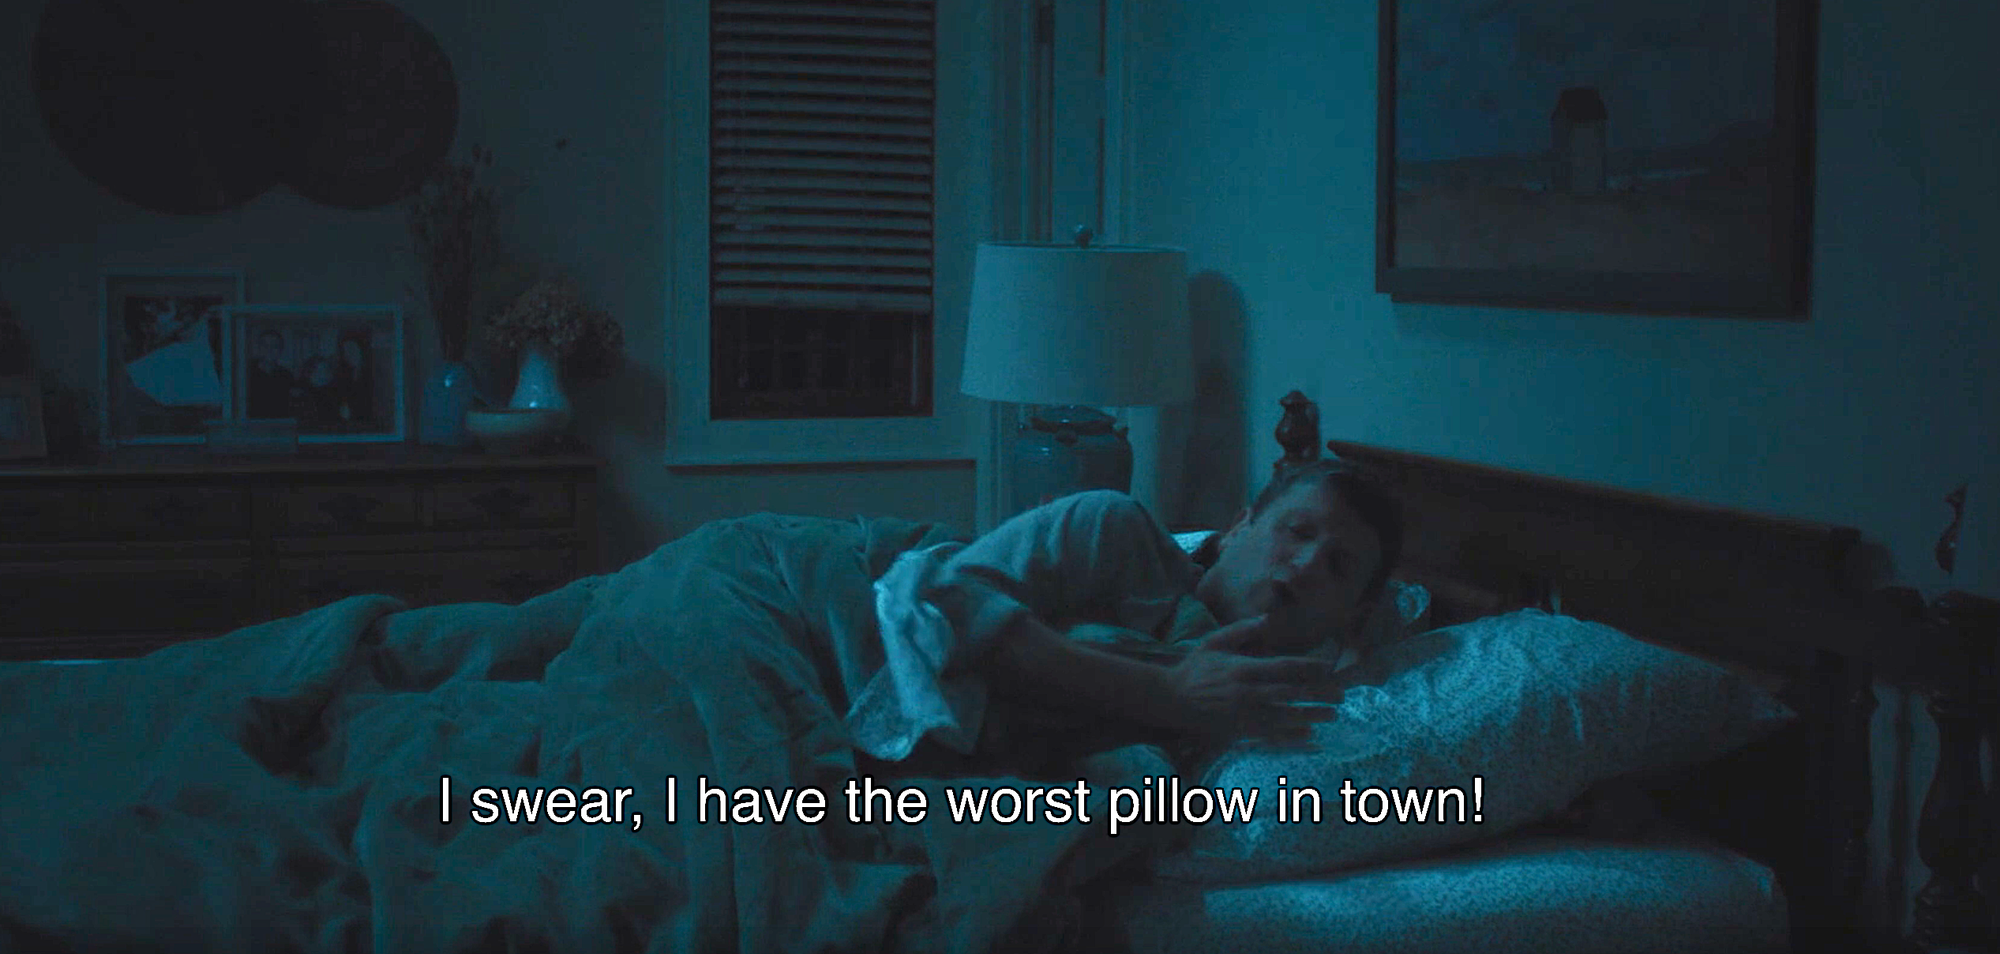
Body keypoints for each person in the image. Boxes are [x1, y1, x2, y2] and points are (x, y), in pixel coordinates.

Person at [857, 458, 1402, 763]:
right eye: (1297, 531)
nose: (1306, 565)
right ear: (1239, 527)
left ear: (1352, 616)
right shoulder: (1116, 532)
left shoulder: (1282, 705)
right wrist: (1166, 693)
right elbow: (941, 610)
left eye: (1338, 567)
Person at [245, 328, 294, 419]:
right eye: (265, 345)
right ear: (259, 348)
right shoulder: (246, 374)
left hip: (280, 424)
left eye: (274, 346)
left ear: (281, 350)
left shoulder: (287, 376)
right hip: (252, 424)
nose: (269, 349)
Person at [333, 330, 373, 425]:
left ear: (361, 349)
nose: (348, 354)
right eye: (345, 351)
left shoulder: (372, 374)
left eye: (352, 349)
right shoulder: (343, 376)